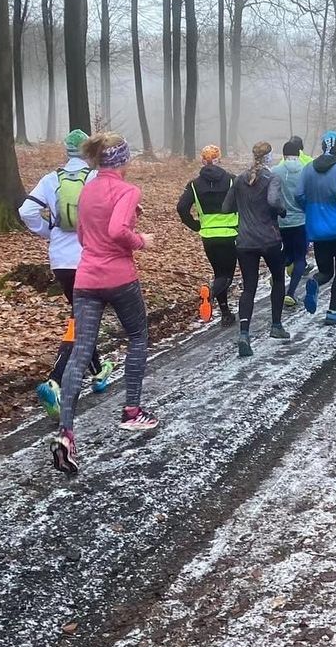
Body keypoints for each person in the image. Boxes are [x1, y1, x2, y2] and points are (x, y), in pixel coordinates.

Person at [51, 132, 157, 476]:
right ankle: (132, 412)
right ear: (123, 161)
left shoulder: (87, 188)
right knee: (138, 336)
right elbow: (116, 230)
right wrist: (141, 240)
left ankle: (66, 432)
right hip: (120, 277)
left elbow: (83, 235)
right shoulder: (128, 190)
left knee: (81, 350)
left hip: (86, 278)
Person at [18, 129, 114, 418]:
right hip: (89, 257)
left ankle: (98, 371)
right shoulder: (97, 179)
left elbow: (26, 211)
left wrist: (48, 232)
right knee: (82, 318)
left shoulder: (50, 180)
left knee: (82, 314)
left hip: (60, 258)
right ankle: (54, 381)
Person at [221, 142, 290, 357]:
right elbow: (273, 200)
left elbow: (226, 207)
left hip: (245, 242)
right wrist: (282, 210)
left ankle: (244, 334)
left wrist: (244, 207)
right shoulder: (272, 178)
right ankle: (276, 326)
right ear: (268, 157)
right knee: (278, 279)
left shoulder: (240, 179)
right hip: (269, 239)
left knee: (248, 288)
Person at [176, 145, 238, 325]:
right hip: (230, 233)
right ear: (219, 159)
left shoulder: (194, 185)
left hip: (208, 236)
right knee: (226, 276)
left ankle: (226, 313)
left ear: (202, 161)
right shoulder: (232, 180)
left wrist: (195, 225)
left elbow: (181, 208)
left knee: (219, 272)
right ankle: (210, 293)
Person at [298, 130, 336, 325]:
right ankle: (332, 312)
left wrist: (310, 209)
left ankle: (315, 281)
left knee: (326, 271)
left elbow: (299, 195)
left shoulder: (307, 169)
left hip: (317, 228)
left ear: (323, 146)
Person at [271, 139, 308, 307]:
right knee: (300, 258)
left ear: (284, 154)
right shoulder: (306, 171)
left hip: (282, 220)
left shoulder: (275, 171)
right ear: (299, 153)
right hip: (301, 220)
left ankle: (276, 275)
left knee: (286, 253)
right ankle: (291, 293)